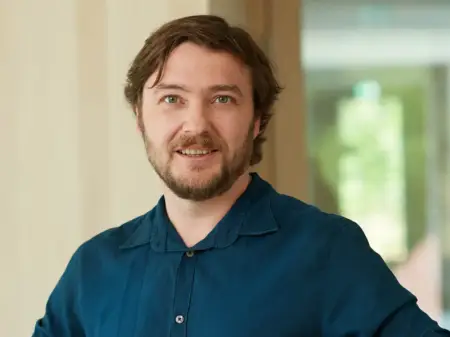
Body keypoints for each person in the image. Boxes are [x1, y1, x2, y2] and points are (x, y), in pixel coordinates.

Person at [32, 15, 449, 337]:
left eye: (222, 99)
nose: (196, 124)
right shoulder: (92, 270)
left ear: (256, 121)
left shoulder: (327, 250)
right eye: (172, 98)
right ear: (140, 118)